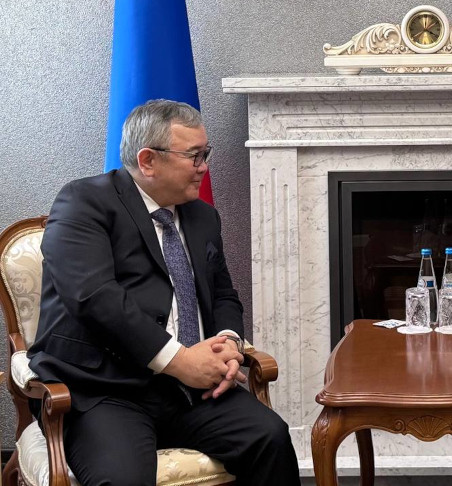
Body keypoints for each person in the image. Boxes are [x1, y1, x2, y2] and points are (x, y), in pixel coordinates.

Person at [27, 99, 301, 485]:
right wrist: (180, 360)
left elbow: (223, 293)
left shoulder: (202, 216)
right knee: (122, 478)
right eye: (194, 156)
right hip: (104, 390)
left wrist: (228, 344)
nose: (204, 167)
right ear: (148, 160)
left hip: (191, 391)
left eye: (205, 154)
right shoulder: (84, 202)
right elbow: (94, 296)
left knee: (270, 437)